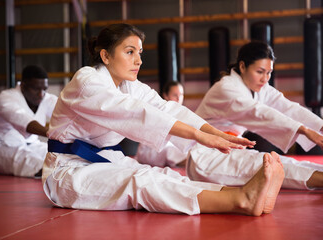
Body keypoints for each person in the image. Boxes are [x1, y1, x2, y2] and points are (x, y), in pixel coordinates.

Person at [42, 23, 284, 216]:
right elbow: (135, 112)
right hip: (68, 172)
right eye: (129, 52)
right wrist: (198, 136)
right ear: (105, 56)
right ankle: (240, 200)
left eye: (139, 53)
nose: (138, 60)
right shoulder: (87, 81)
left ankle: (242, 193)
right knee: (140, 182)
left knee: (164, 176)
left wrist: (214, 132)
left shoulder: (130, 85)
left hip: (104, 161)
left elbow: (166, 108)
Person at [188, 41, 323, 189]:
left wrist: (320, 127)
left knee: (287, 163)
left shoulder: (260, 88)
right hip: (207, 158)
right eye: (259, 72)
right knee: (271, 166)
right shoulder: (226, 88)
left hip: (231, 152)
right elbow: (259, 112)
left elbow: (289, 108)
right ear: (242, 66)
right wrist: (305, 130)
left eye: (269, 73)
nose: (265, 79)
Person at [0, 65, 58, 178]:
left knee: (63, 156)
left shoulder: (46, 98)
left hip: (33, 145)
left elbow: (67, 114)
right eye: (36, 89)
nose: (41, 94)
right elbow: (26, 122)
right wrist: (55, 133)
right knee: (39, 163)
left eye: (44, 89)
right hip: (2, 148)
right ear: (23, 85)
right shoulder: (6, 98)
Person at [135, 81, 188, 167]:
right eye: (175, 95)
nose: (179, 98)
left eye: (181, 95)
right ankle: (191, 164)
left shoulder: (183, 115)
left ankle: (193, 163)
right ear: (166, 96)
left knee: (192, 148)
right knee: (169, 150)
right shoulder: (157, 112)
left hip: (169, 150)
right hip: (149, 152)